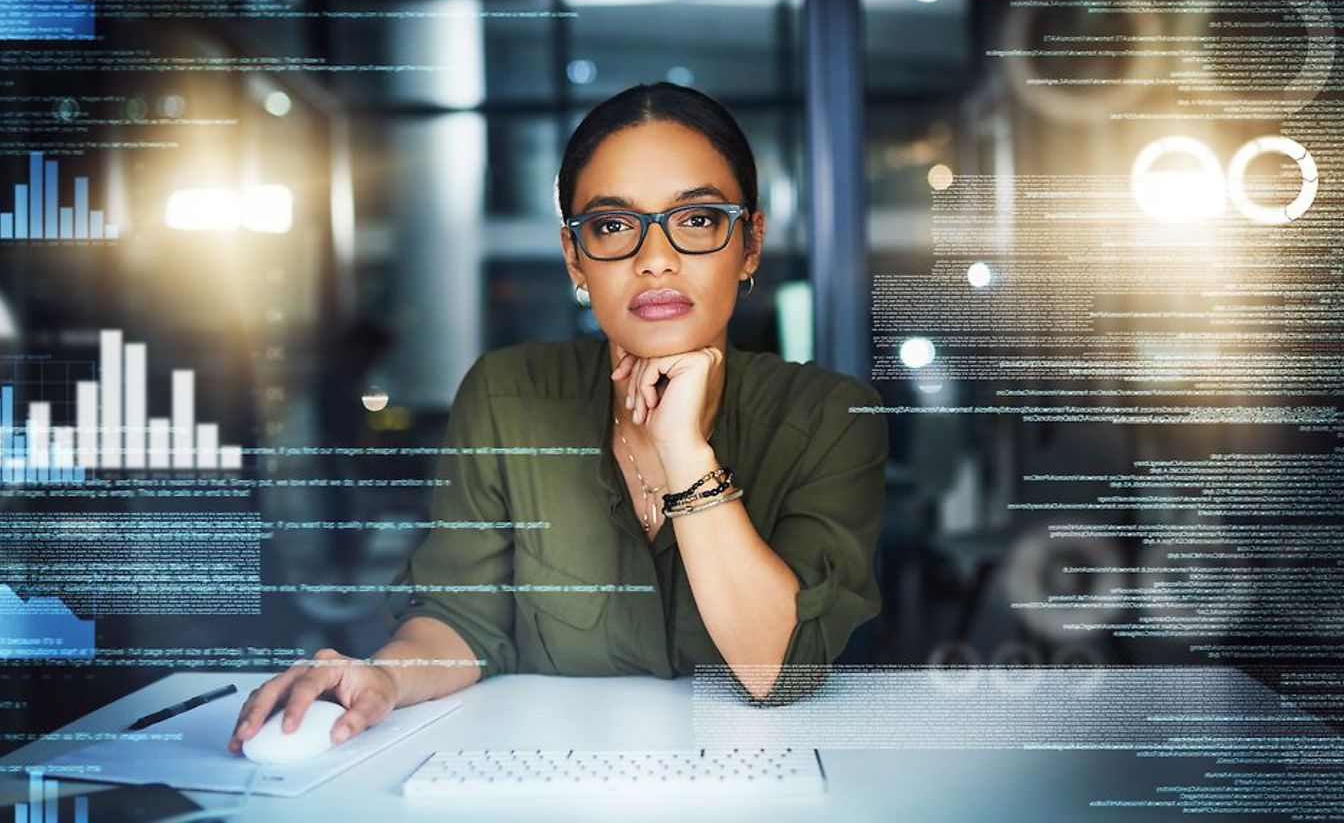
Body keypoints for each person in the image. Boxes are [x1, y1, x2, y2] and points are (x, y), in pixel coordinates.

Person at [229, 82, 888, 753]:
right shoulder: (505, 394)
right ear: (575, 257)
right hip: (553, 780)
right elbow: (463, 619)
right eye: (611, 226)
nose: (654, 258)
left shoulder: (832, 415)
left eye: (696, 220)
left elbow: (780, 669)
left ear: (749, 244)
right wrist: (386, 678)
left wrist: (684, 452)